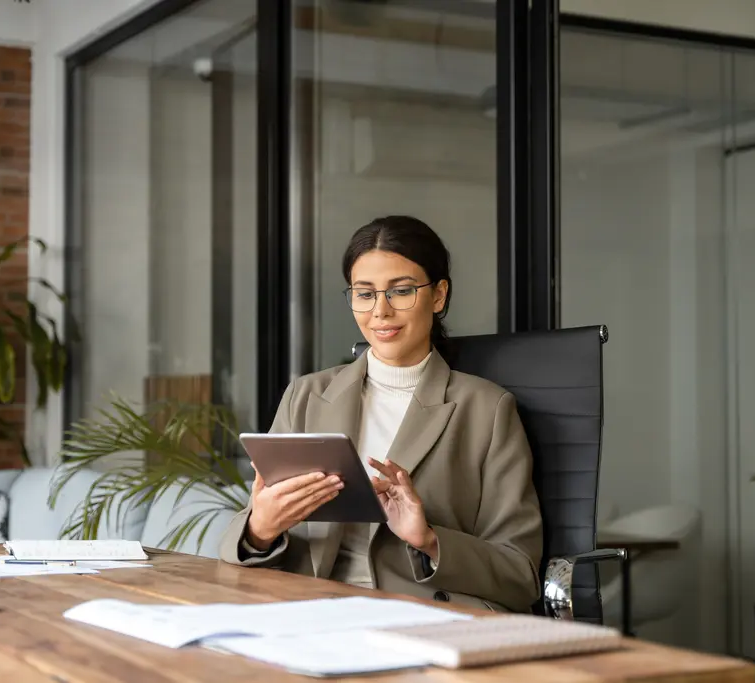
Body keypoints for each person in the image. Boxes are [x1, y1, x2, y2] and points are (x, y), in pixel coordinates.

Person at [218, 215, 543, 613]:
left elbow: (520, 573)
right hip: (309, 610)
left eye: (402, 291)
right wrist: (260, 529)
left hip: (421, 613)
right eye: (365, 293)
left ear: (439, 296)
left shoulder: (487, 410)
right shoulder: (307, 395)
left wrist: (429, 540)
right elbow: (237, 548)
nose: (381, 312)